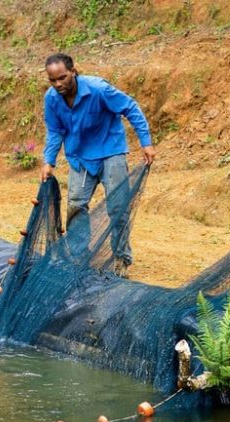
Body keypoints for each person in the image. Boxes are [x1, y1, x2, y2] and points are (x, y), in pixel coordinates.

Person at [41, 53, 156, 279]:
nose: (58, 84)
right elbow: (55, 131)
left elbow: (130, 108)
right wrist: (49, 161)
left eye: (62, 78)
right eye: (52, 80)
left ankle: (121, 258)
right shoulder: (52, 99)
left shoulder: (98, 89)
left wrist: (146, 143)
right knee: (76, 204)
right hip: (80, 156)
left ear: (73, 71)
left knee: (118, 207)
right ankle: (78, 257)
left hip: (110, 151)